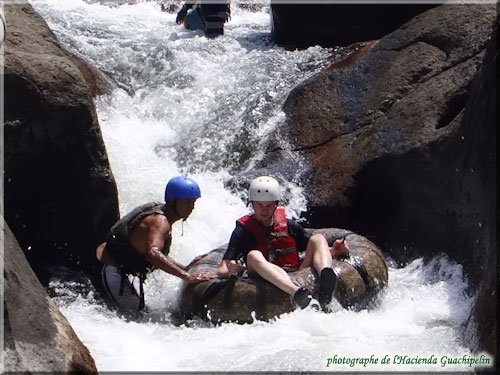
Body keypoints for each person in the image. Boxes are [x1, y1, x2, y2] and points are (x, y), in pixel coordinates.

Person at [217, 176, 350, 311]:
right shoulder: (242, 231)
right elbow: (222, 269)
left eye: (269, 206)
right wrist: (233, 271)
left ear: (276, 205)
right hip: (264, 279)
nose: (264, 210)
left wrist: (336, 250)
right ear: (252, 205)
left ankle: (327, 276)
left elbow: (315, 251)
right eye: (259, 205)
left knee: (318, 239)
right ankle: (296, 293)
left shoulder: (289, 225)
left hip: (297, 274)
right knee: (253, 255)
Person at [96, 176, 212, 316]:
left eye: (193, 202)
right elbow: (153, 254)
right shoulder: (160, 221)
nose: (192, 207)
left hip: (118, 268)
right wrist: (186, 276)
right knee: (137, 317)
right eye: (187, 202)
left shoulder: (162, 212)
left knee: (140, 313)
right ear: (173, 201)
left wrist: (185, 267)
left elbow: (158, 255)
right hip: (112, 269)